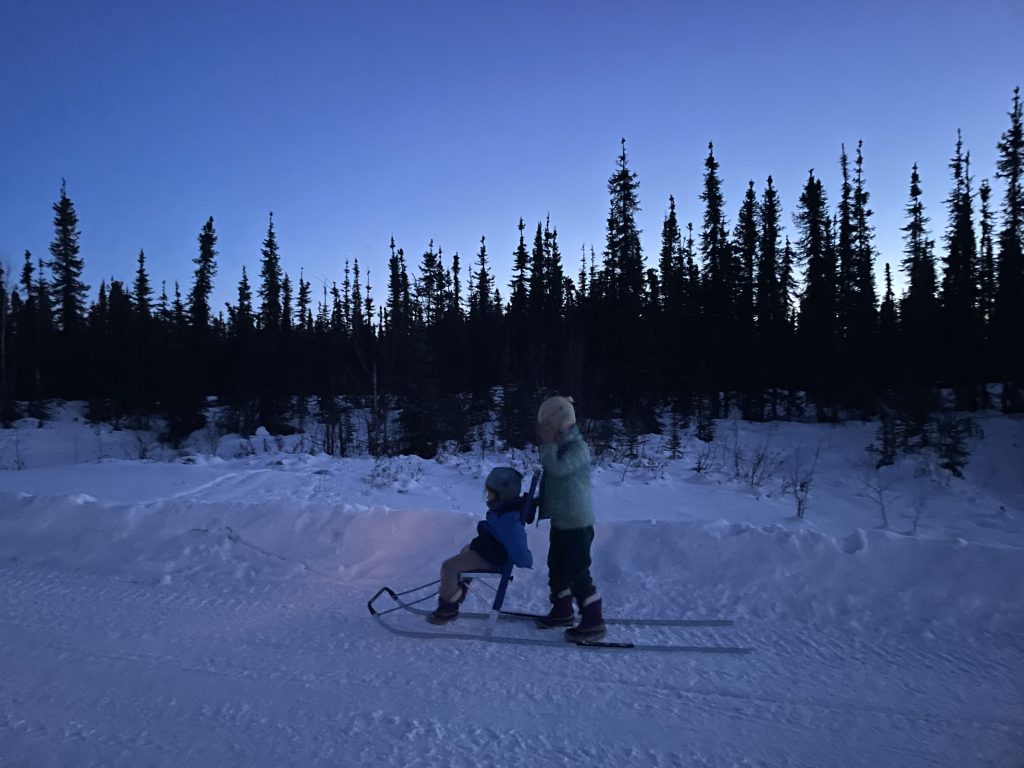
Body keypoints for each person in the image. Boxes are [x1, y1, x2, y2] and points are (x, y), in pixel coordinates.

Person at [534, 395, 606, 641]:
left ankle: (593, 620)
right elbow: (553, 484)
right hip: (561, 522)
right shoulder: (560, 447)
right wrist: (536, 504)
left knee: (577, 572)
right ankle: (563, 610)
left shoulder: (578, 448)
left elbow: (557, 469)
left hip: (577, 524)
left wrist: (547, 443)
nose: (544, 431)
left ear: (558, 422)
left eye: (547, 425)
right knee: (557, 568)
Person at [428, 466, 533, 625]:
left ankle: (448, 608)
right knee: (466, 549)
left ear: (502, 494)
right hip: (489, 549)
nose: (487, 495)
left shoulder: (508, 518)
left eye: (490, 492)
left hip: (493, 556)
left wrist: (525, 560)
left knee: (449, 567)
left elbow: (517, 544)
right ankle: (459, 589)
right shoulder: (502, 510)